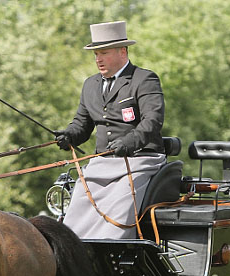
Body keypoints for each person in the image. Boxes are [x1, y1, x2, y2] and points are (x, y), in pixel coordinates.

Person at [54, 20, 166, 239]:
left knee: (120, 209)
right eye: (96, 54)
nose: (98, 59)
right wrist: (69, 136)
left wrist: (130, 141)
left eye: (104, 53)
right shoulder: (90, 85)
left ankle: (111, 248)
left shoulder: (144, 79)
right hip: (101, 164)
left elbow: (153, 120)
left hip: (140, 161)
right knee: (76, 210)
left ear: (122, 52)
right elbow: (81, 125)